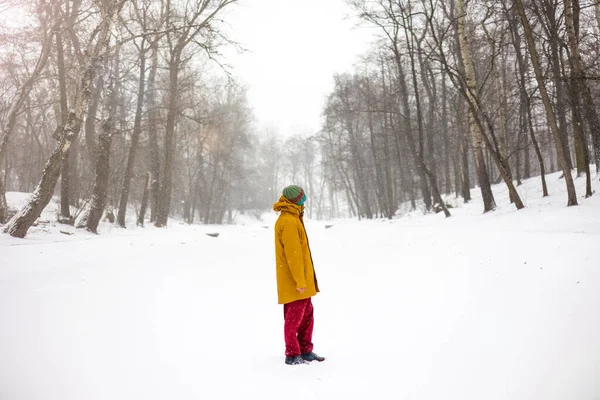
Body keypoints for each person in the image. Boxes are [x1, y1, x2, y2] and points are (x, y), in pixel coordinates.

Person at [273, 185, 325, 365]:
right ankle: (292, 354)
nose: (304, 198)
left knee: (307, 316)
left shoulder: (294, 217)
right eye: (301, 196)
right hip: (295, 282)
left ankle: (305, 350)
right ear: (295, 199)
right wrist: (300, 281)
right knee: (294, 319)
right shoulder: (288, 221)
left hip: (303, 281)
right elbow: (293, 255)